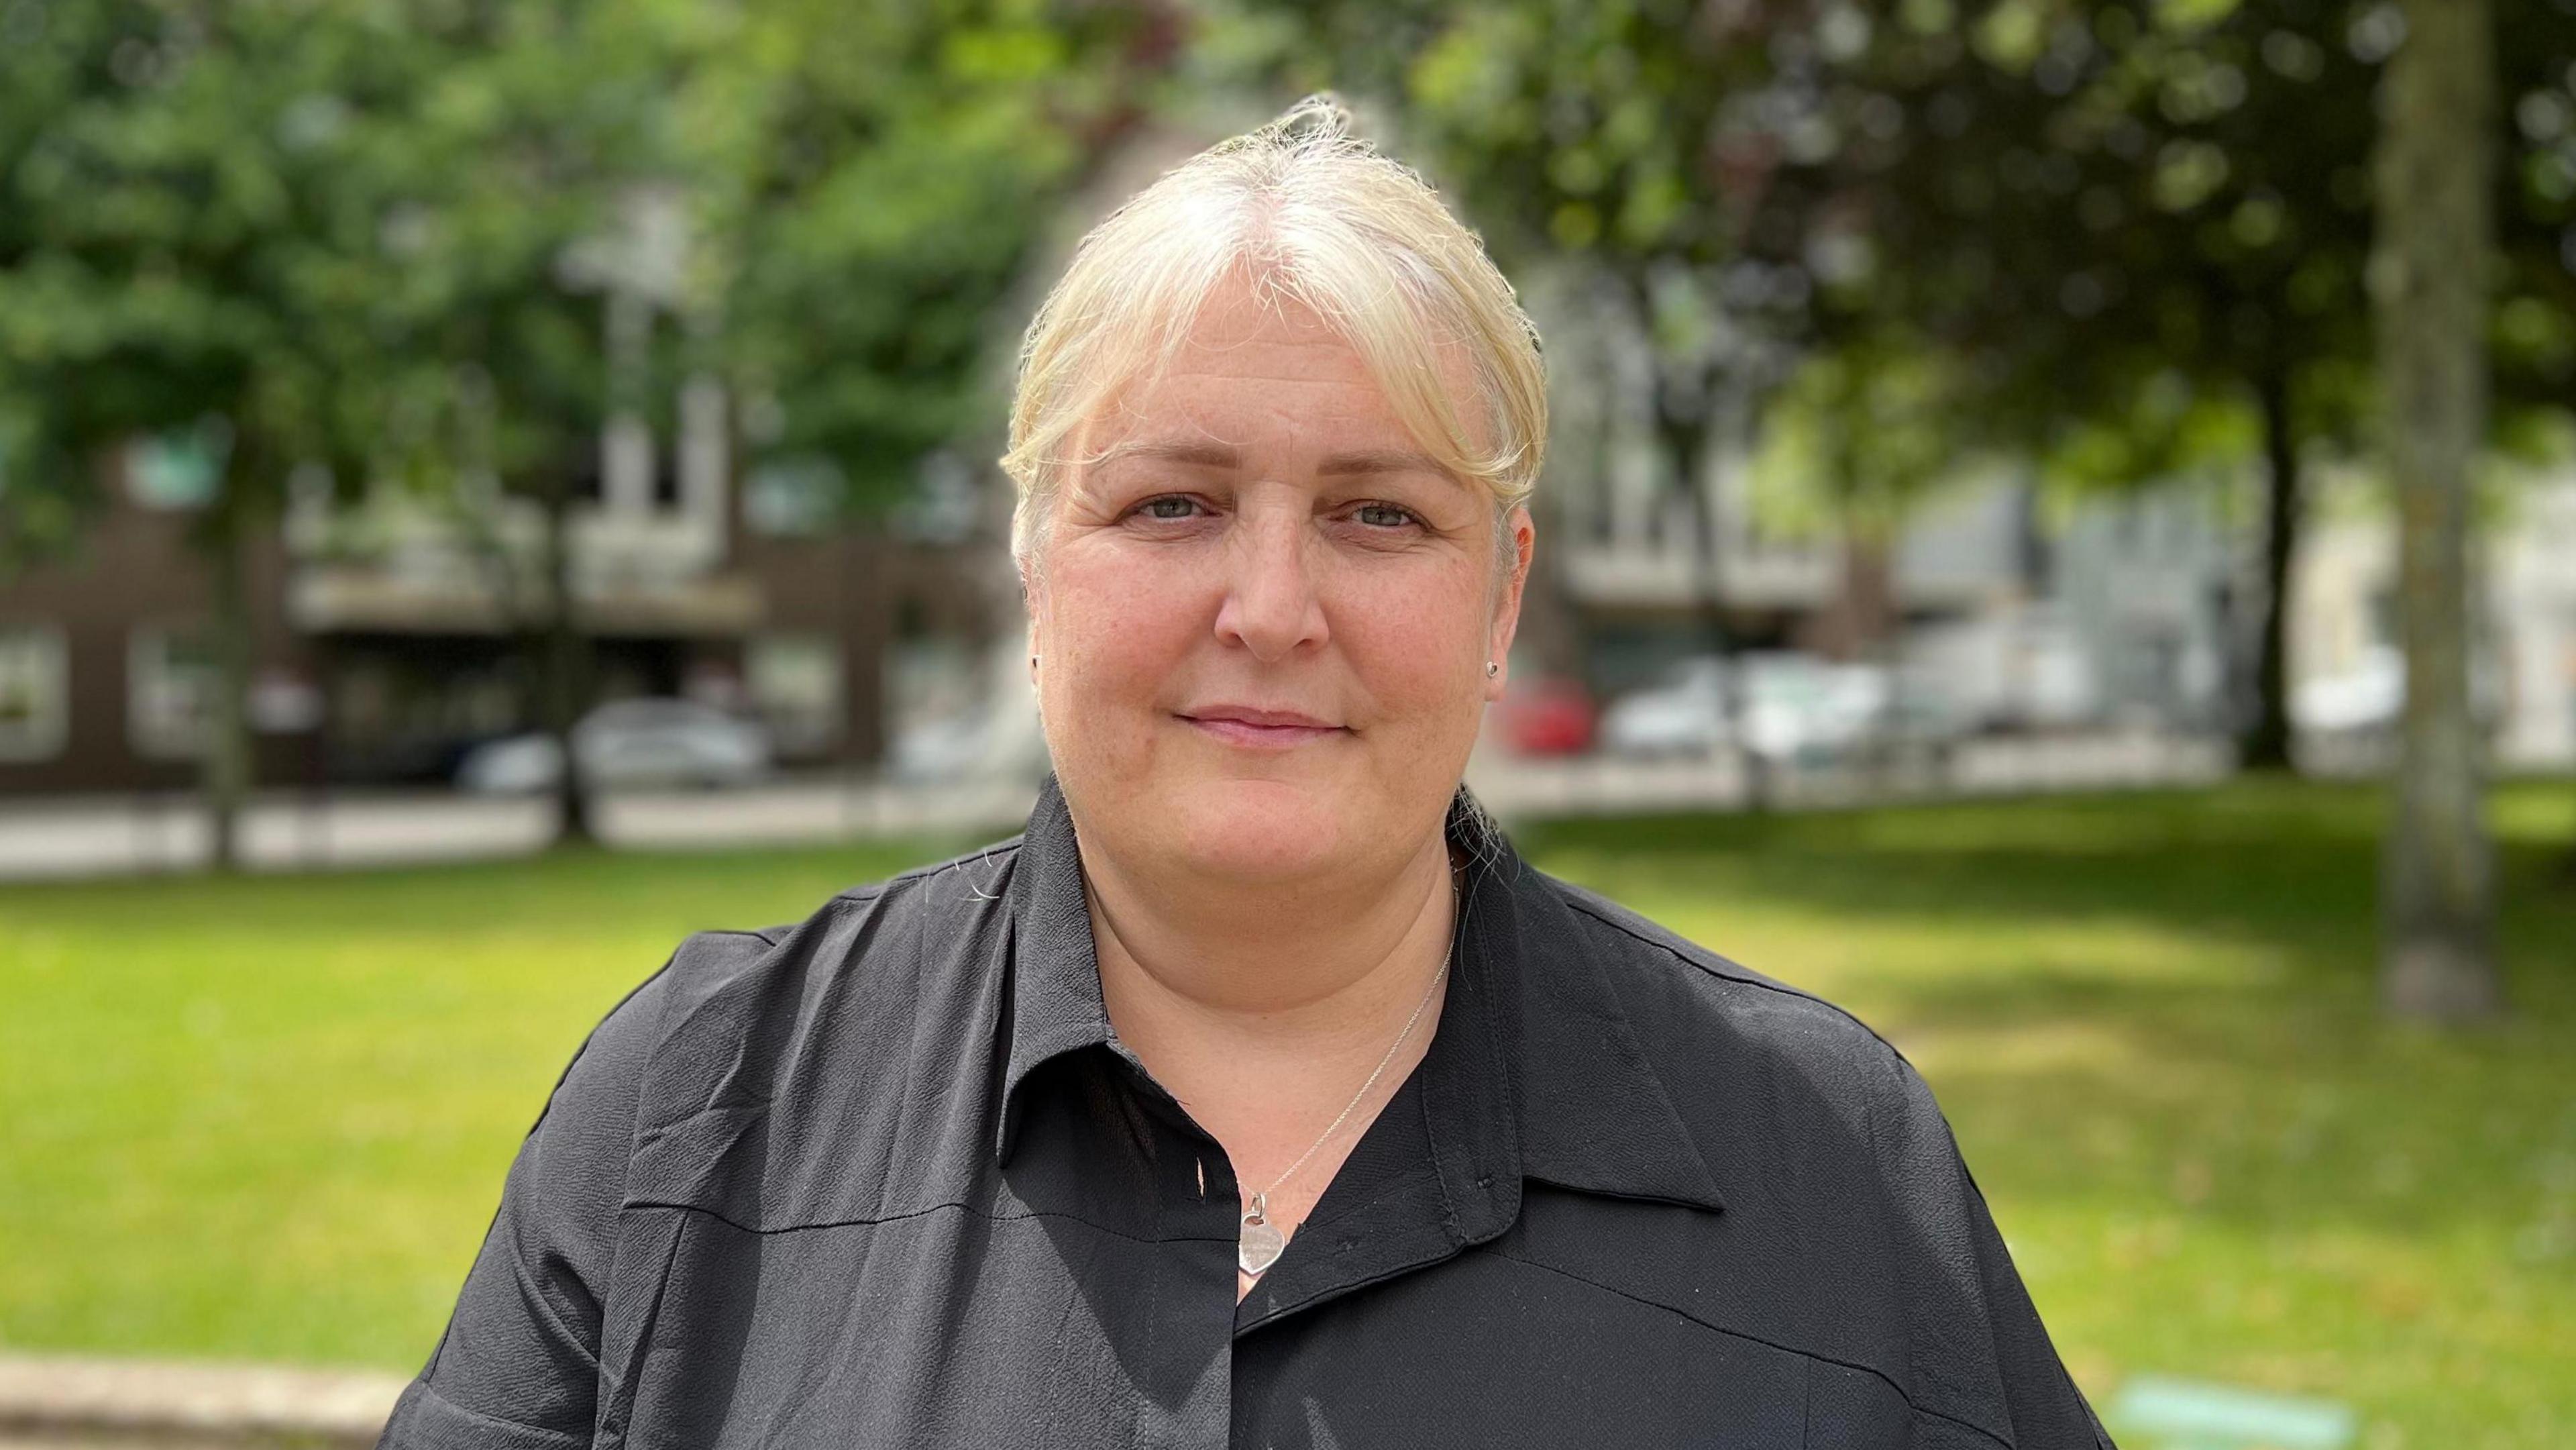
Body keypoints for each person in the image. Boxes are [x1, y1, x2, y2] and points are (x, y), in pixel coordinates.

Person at [379, 97, 2115, 1449]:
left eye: (1380, 513)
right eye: (1171, 504)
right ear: (1036, 563)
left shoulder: (1826, 1159)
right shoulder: (696, 1113)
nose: (1273, 608)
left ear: (1500, 592)